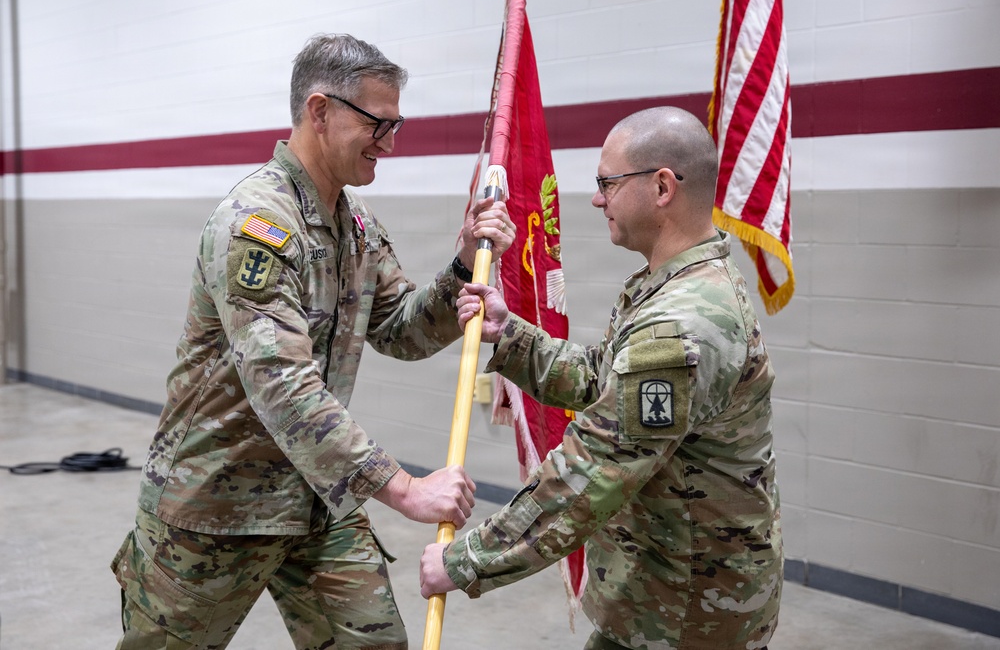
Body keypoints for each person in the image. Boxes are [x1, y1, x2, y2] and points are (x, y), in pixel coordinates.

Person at [110, 33, 515, 650]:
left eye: (397, 123)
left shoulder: (355, 224)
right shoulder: (258, 225)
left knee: (375, 643)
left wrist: (463, 267)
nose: (391, 144)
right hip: (218, 505)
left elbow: (401, 329)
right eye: (379, 123)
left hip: (316, 497)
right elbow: (284, 384)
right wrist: (404, 489)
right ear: (320, 111)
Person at [420, 106, 782, 650]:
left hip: (690, 615)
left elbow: (596, 467)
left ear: (662, 187)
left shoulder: (685, 320)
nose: (596, 198)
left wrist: (469, 560)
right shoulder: (669, 287)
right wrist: (509, 334)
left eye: (606, 183)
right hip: (664, 599)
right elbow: (601, 384)